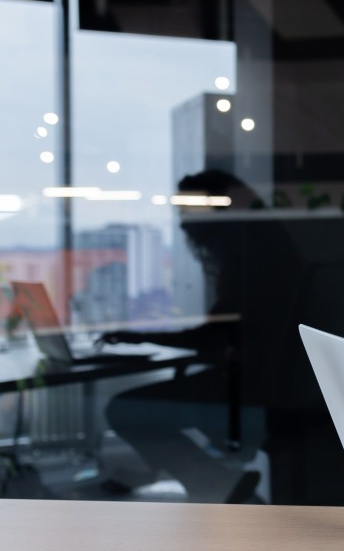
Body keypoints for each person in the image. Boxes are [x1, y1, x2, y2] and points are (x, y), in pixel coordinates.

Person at [98, 169, 265, 503]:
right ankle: (210, 480)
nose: (184, 223)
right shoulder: (250, 256)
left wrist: (144, 337)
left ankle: (210, 481)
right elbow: (219, 338)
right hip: (246, 382)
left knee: (123, 410)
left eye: (190, 211)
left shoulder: (247, 263)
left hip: (247, 389)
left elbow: (215, 341)